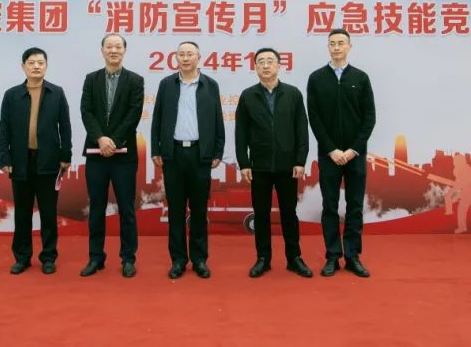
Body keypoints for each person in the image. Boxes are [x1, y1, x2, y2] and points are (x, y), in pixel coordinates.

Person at [235, 47, 312, 278]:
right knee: (261, 214)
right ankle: (263, 259)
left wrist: (300, 160)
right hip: (259, 166)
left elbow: (301, 130)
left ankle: (294, 258)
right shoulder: (248, 95)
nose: (266, 65)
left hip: (288, 166)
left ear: (279, 65)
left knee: (289, 213)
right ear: (255, 67)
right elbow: (241, 132)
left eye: (270, 61)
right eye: (261, 61)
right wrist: (244, 163)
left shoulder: (293, 94)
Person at [150, 41, 224, 279]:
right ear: (176, 58)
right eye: (181, 54)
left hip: (200, 155)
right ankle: (178, 260)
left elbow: (218, 120)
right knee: (176, 211)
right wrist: (156, 149)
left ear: (199, 57)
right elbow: (157, 118)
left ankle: (200, 259)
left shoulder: (210, 85)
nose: (185, 58)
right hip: (173, 155)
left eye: (189, 54)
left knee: (199, 211)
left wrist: (217, 152)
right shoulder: (167, 84)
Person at [306, 29, 376, 278]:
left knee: (355, 206)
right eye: (332, 43)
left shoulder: (361, 78)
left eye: (340, 43)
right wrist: (332, 149)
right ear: (328, 47)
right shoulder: (316, 78)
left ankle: (353, 256)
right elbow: (314, 117)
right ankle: (333, 256)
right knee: (330, 206)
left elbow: (369, 118)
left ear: (349, 46)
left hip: (355, 155)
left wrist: (353, 149)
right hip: (329, 156)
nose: (336, 47)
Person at [0, 47, 72, 275]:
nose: (36, 66)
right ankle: (22, 257)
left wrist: (66, 156)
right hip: (20, 161)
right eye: (31, 63)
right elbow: (4, 128)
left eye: (41, 62)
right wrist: (4, 158)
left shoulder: (56, 93)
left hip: (49, 161)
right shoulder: (11, 95)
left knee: (48, 213)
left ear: (46, 66)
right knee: (22, 213)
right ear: (23, 67)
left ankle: (48, 257)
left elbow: (65, 126)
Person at [79, 34, 145, 278]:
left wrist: (113, 140)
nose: (113, 50)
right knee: (96, 208)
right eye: (109, 46)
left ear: (124, 51)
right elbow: (86, 111)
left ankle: (128, 258)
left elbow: (133, 114)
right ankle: (96, 258)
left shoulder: (135, 80)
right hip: (96, 154)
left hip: (124, 156)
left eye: (118, 46)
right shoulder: (91, 79)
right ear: (102, 50)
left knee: (126, 209)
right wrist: (100, 138)